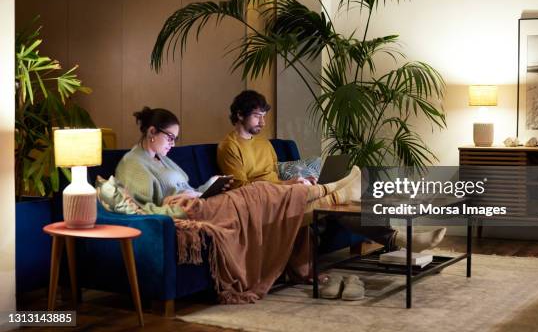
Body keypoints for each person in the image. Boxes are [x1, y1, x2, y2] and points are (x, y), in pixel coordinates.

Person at [114, 106, 363, 303]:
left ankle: (333, 192)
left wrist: (208, 186)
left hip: (203, 202)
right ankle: (334, 191)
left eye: (176, 139)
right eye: (170, 137)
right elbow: (144, 209)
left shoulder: (162, 159)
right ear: (151, 132)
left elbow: (188, 190)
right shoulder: (132, 165)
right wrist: (180, 202)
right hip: (190, 211)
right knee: (259, 191)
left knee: (262, 193)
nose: (173, 144)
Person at [217, 90, 447, 252]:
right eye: (257, 116)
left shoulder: (264, 143)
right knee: (341, 193)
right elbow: (241, 189)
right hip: (261, 201)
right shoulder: (229, 146)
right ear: (239, 114)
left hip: (284, 194)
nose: (263, 122)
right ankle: (346, 189)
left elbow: (274, 175)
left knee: (336, 207)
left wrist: (298, 180)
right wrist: (288, 185)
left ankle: (400, 238)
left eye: (264, 116)